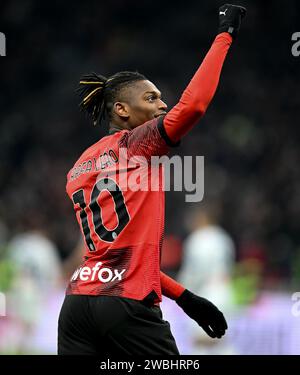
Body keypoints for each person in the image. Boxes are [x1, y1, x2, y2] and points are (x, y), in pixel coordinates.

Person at [58, 4, 246, 355]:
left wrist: (185, 298)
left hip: (77, 306)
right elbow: (193, 107)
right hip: (127, 306)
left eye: (161, 98)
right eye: (151, 98)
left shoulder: (78, 167)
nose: (163, 105)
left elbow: (115, 261)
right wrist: (225, 35)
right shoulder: (136, 145)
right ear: (122, 110)